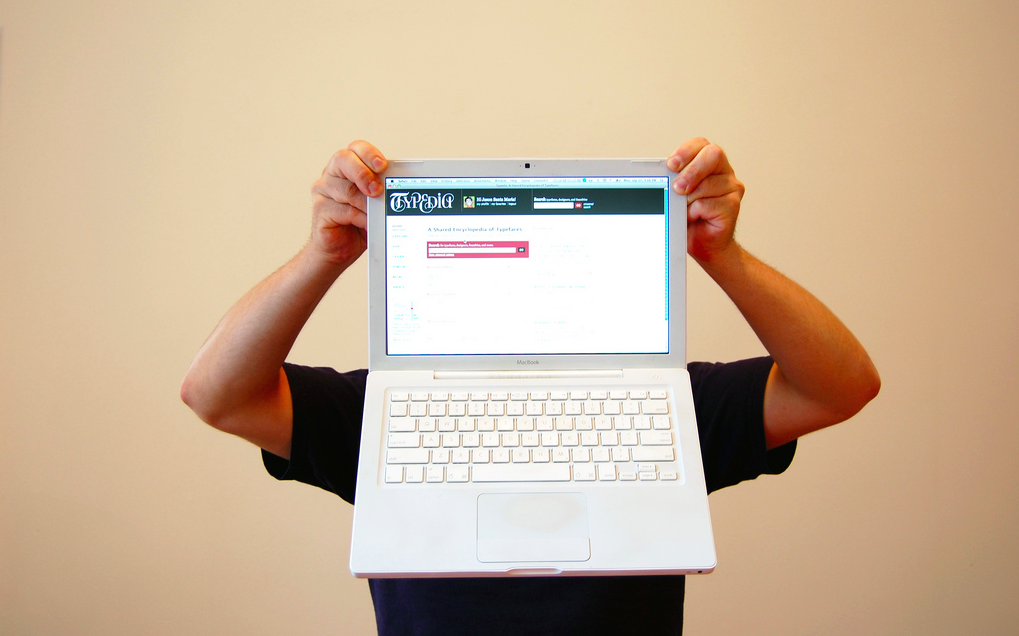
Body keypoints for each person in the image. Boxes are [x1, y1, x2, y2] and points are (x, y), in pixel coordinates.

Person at [181, 138, 880, 635]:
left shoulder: (674, 405)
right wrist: (322, 254)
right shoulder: (377, 414)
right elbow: (216, 394)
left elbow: (841, 386)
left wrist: (718, 252)